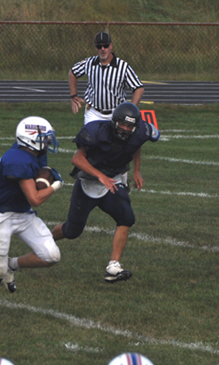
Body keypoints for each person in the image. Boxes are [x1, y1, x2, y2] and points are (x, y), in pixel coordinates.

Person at [0, 117, 62, 322]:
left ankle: (13, 265)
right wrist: (55, 186)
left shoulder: (33, 151)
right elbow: (35, 199)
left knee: (51, 255)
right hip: (3, 214)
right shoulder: (16, 159)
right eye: (44, 138)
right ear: (30, 140)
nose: (48, 142)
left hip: (24, 214)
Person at [51, 102, 159, 282]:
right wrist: (101, 176)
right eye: (122, 124)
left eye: (129, 126)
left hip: (112, 182)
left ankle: (113, 267)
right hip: (89, 182)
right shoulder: (96, 131)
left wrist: (137, 170)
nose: (125, 129)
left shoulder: (139, 132)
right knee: (72, 231)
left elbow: (137, 143)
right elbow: (77, 159)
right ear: (113, 122)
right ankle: (44, 240)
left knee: (126, 217)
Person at [69, 32, 144, 124]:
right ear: (95, 47)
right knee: (90, 137)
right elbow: (72, 72)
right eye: (99, 46)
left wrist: (130, 108)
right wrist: (73, 96)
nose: (103, 49)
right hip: (93, 112)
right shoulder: (89, 63)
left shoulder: (122, 66)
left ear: (111, 46)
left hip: (116, 112)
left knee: (115, 138)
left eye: (105, 45)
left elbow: (138, 88)